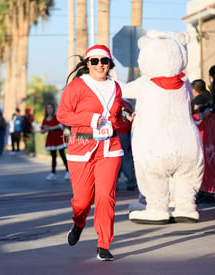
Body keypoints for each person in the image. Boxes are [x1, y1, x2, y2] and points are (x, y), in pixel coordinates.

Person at [57, 44, 128, 261]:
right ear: (87, 64)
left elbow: (117, 120)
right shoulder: (78, 85)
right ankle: (78, 222)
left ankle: (104, 244)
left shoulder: (116, 87)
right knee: (82, 200)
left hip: (109, 148)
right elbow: (62, 115)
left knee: (106, 196)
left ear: (110, 64)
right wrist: (90, 119)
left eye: (104, 61)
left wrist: (125, 118)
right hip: (81, 148)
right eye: (94, 61)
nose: (99, 65)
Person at [40, 103, 69, 181]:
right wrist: (45, 129)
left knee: (62, 154)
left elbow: (61, 125)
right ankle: (53, 173)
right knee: (53, 156)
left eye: (51, 108)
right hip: (51, 138)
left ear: (53, 109)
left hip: (58, 137)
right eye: (48, 108)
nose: (49, 109)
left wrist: (50, 128)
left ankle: (68, 171)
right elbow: (42, 130)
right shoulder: (45, 119)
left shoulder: (56, 117)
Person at [116, 99, 137, 191]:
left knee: (116, 159)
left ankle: (114, 183)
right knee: (126, 159)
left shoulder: (117, 102)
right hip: (123, 133)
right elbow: (127, 121)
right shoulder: (124, 104)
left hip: (115, 133)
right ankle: (131, 182)